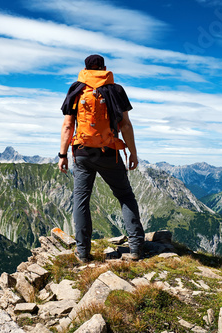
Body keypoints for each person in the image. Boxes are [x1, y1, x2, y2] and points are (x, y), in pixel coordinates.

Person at [58, 54, 145, 262]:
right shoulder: (116, 90)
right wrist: (133, 153)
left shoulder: (76, 89)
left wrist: (62, 154)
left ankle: (83, 252)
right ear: (104, 68)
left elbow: (68, 126)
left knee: (81, 201)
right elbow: (125, 125)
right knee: (124, 196)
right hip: (109, 152)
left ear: (86, 68)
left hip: (82, 153)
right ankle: (136, 248)